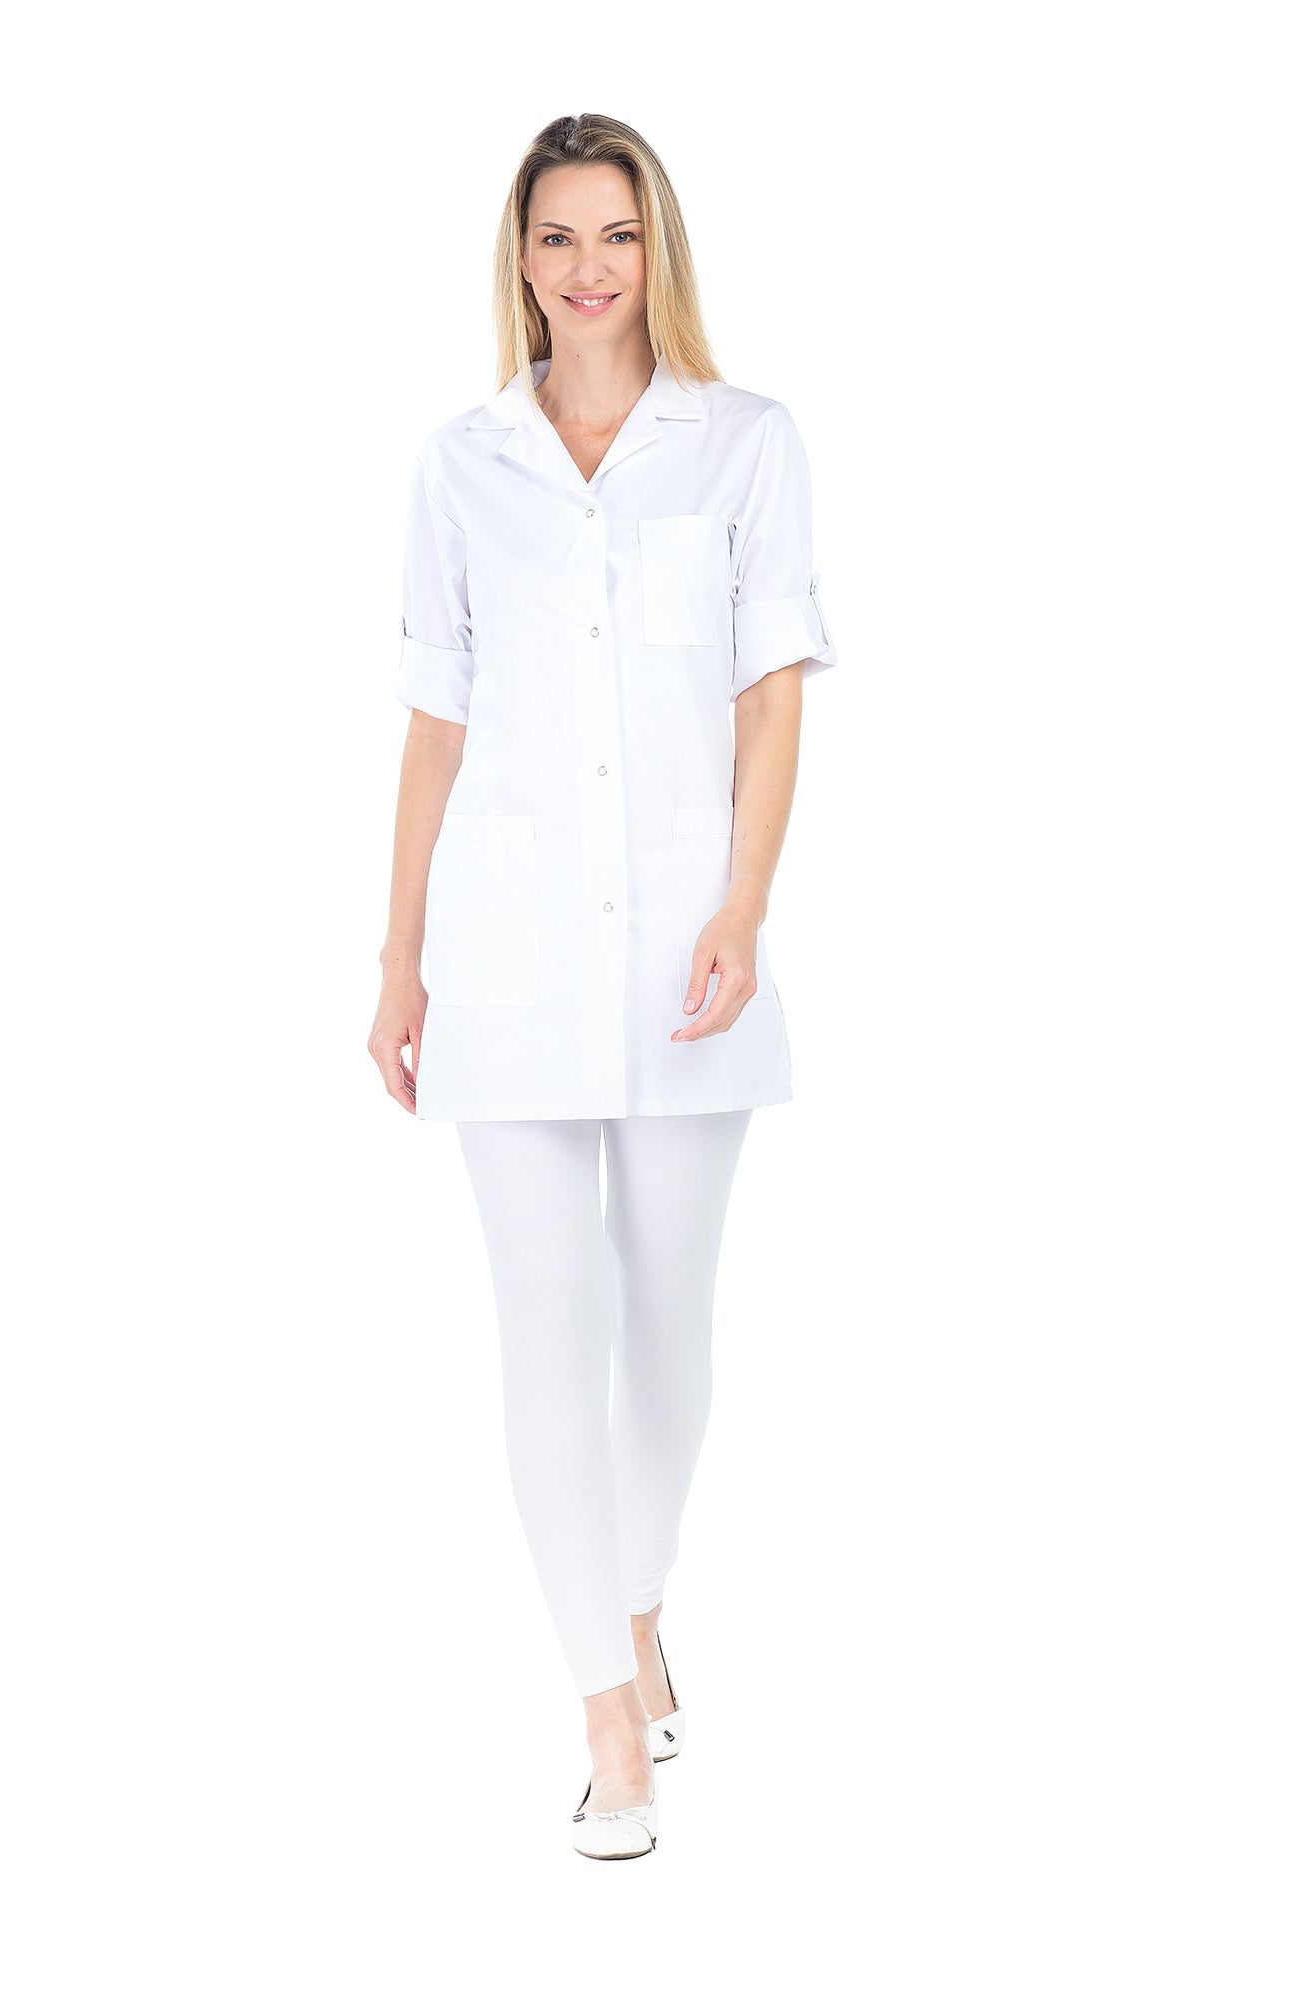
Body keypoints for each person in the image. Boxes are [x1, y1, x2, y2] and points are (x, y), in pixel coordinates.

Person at [367, 112, 837, 1860]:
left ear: (660, 252)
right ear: (521, 256)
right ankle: (603, 1714)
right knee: (546, 1330)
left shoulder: (746, 445)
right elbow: (435, 720)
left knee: (671, 1331)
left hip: (686, 954)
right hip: (505, 954)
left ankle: (636, 1602)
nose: (589, 269)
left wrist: (746, 902)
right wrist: (399, 957)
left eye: (617, 236)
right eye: (559, 236)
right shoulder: (461, 465)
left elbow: (773, 691)